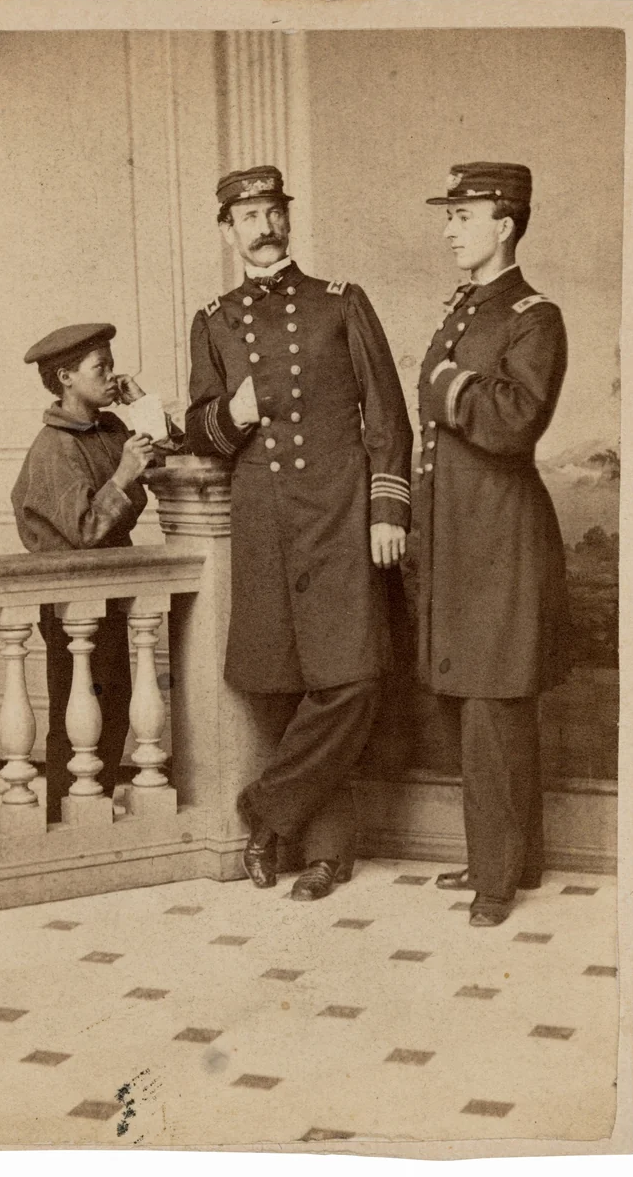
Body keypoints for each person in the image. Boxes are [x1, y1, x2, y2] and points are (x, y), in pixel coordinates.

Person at [185, 165, 414, 901]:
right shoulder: (214, 319)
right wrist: (235, 415)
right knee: (282, 685)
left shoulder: (339, 303)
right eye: (248, 216)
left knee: (351, 677)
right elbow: (201, 427)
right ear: (228, 231)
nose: (264, 225)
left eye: (273, 211)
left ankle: (265, 814)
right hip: (266, 523)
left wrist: (387, 508)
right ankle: (322, 853)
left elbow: (387, 414)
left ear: (288, 218)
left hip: (340, 517)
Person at [417, 162, 571, 926]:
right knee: (477, 701)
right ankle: (504, 858)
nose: (449, 228)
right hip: (463, 535)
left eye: (462, 214)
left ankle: (498, 880)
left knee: (495, 701)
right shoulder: (469, 308)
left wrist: (448, 387)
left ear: (504, 224)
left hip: (503, 538)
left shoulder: (533, 315)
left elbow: (513, 422)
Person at [11, 322, 179, 823]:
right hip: (70, 603)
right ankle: (65, 818)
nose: (112, 375)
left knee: (114, 703)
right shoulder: (53, 447)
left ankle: (94, 805)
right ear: (65, 377)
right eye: (99, 368)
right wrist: (125, 473)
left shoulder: (109, 429)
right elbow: (85, 530)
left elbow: (175, 453)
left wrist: (142, 405)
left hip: (107, 594)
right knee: (76, 714)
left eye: (112, 364)